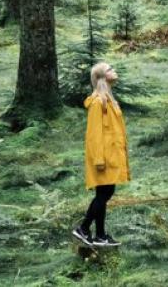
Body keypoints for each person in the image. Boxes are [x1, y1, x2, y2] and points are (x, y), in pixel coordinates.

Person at [73, 61, 129, 247]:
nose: (114, 70)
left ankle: (100, 236)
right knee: (105, 193)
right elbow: (94, 135)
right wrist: (98, 159)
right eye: (109, 69)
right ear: (101, 77)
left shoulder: (108, 100)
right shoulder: (98, 103)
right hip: (102, 157)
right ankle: (83, 228)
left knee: (104, 193)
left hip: (110, 155)